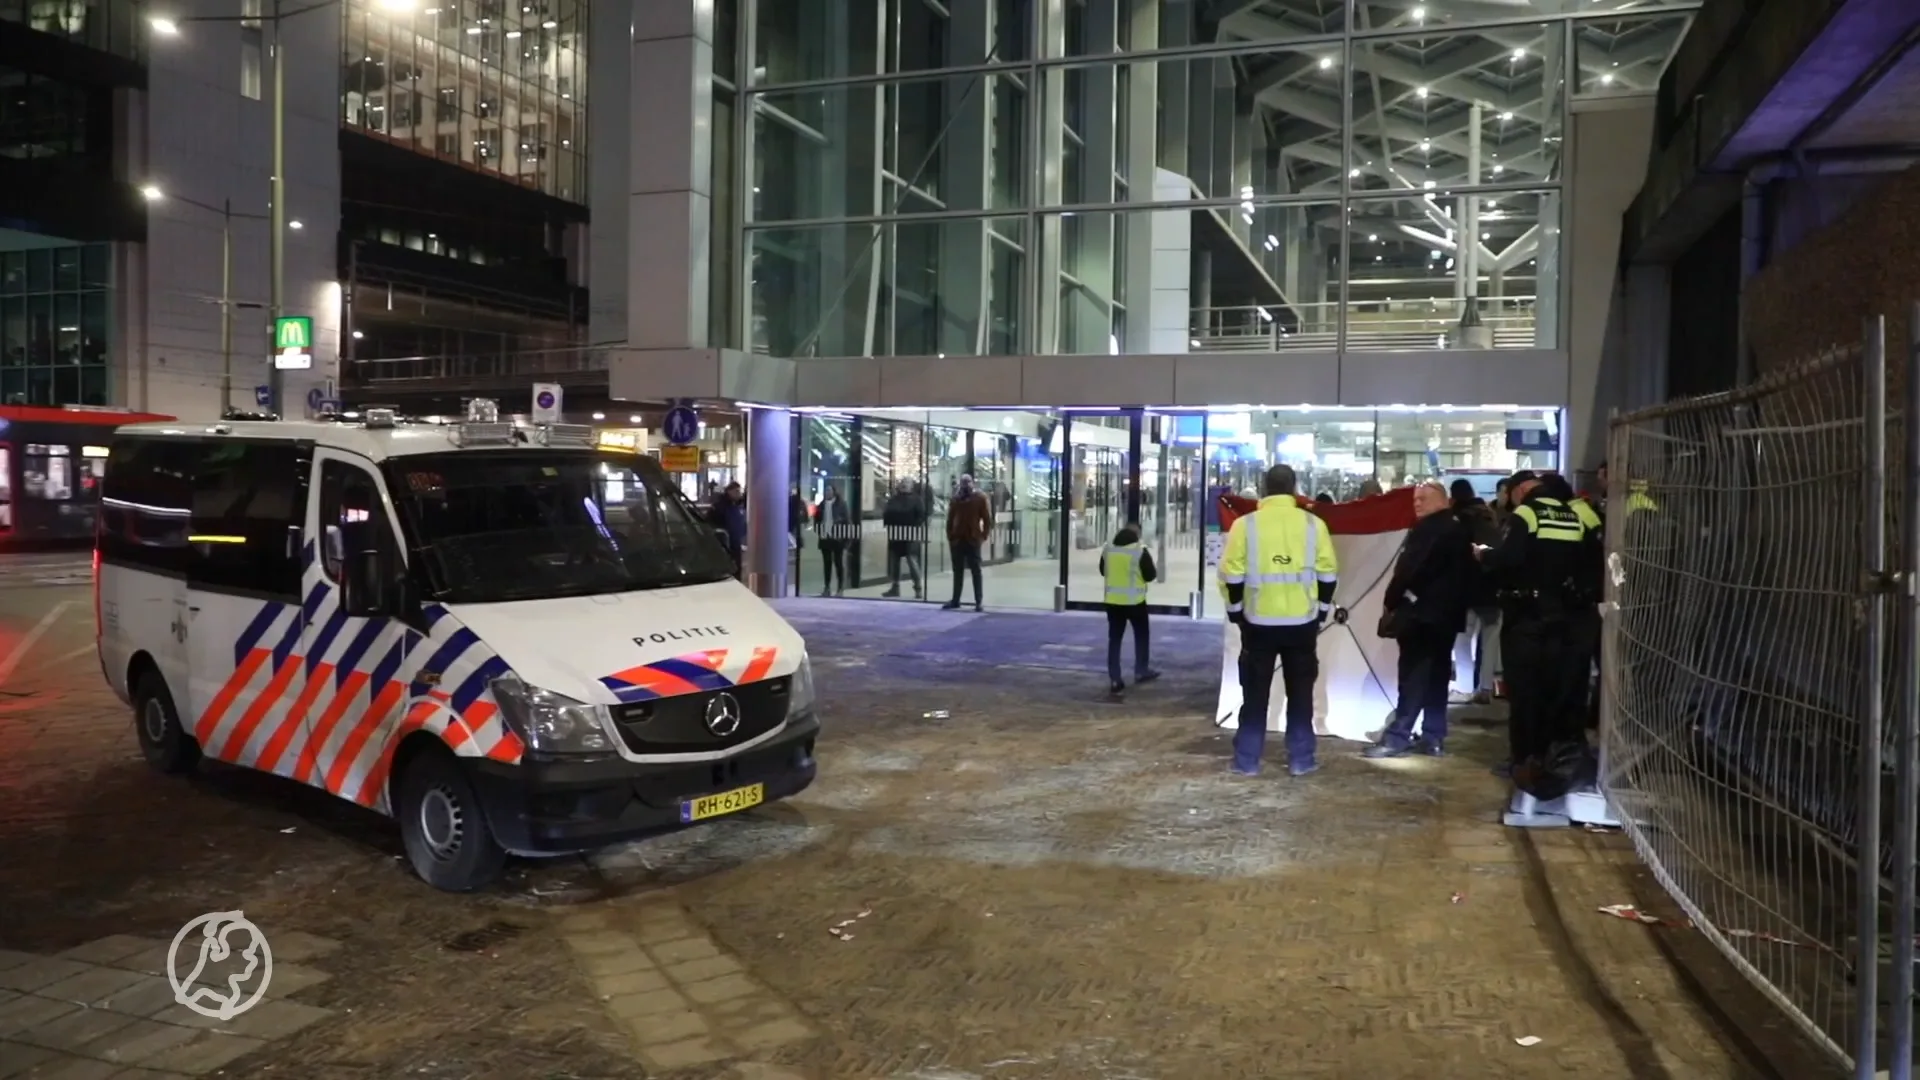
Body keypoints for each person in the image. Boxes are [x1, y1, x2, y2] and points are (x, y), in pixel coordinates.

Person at [1476, 469, 1601, 782]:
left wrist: (1484, 556)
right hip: (1562, 616)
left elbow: (1510, 559)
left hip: (1525, 616)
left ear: (1521, 490)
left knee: (1524, 692)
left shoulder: (1528, 513)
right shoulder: (1571, 515)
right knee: (1552, 690)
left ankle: (1522, 760)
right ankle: (1549, 757)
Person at [1217, 464, 1339, 777]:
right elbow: (1328, 573)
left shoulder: (1246, 526)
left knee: (1254, 694)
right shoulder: (1314, 525)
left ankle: (1246, 760)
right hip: (1302, 624)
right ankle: (1301, 759)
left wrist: (1235, 613)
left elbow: (1232, 573)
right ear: (1294, 486)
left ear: (1264, 487)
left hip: (1258, 623)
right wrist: (1322, 609)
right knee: (1300, 693)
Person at [1365, 481, 1474, 758]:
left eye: (1423, 498)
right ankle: (1433, 736)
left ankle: (1398, 736)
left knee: (1413, 677)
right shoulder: (1459, 529)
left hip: (1419, 616)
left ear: (1442, 500)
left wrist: (1391, 600)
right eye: (1415, 498)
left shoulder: (1427, 530)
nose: (1417, 503)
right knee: (1437, 677)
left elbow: (1409, 571)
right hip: (1447, 616)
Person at [1448, 478, 1502, 705]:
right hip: (1493, 587)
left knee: (1462, 638)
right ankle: (1486, 688)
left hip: (1468, 588)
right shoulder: (1490, 515)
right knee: (1489, 640)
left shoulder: (1459, 519)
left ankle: (1464, 686)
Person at [1099, 524, 1161, 695]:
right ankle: (1141, 670)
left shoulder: (1108, 550)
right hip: (1135, 603)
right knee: (1141, 636)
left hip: (1112, 603)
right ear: (1137, 535)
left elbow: (1103, 571)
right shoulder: (1140, 551)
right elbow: (1150, 575)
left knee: (1115, 640)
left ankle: (1115, 679)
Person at [943, 473, 992, 611]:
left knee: (976, 571)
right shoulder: (956, 499)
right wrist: (951, 537)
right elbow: (950, 520)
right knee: (957, 571)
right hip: (958, 540)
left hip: (973, 539)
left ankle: (978, 601)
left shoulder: (980, 498)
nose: (966, 485)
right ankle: (956, 599)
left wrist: (983, 536)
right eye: (963, 482)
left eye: (968, 482)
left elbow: (987, 519)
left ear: (972, 483)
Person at [881, 479, 925, 598]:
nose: (904, 485)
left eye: (907, 483)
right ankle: (895, 588)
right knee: (894, 562)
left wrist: (914, 526)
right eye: (902, 483)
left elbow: (921, 516)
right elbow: (886, 513)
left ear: (911, 486)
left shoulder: (916, 500)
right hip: (895, 534)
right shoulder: (894, 499)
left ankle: (918, 588)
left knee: (912, 561)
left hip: (910, 534)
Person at [813, 483, 850, 596]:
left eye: (829, 490)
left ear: (834, 492)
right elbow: (817, 520)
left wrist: (844, 537)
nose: (827, 492)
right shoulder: (821, 505)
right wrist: (819, 531)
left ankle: (840, 588)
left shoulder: (841, 504)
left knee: (838, 563)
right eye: (826, 490)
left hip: (837, 538)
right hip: (825, 538)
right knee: (827, 564)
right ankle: (827, 588)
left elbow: (847, 521)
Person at [713, 481, 747, 577]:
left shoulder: (737, 505)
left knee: (736, 569)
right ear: (729, 491)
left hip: (736, 543)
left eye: (739, 491)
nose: (739, 494)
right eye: (736, 491)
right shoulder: (720, 507)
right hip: (726, 545)